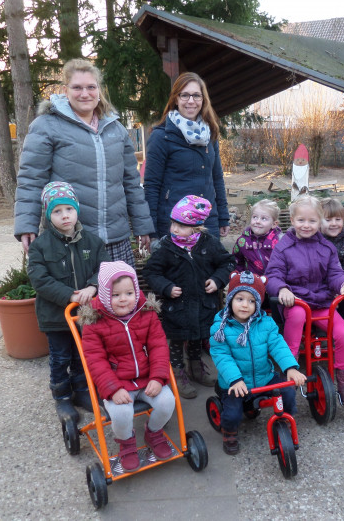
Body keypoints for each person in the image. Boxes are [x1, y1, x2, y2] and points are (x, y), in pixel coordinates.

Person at [14, 58, 153, 266]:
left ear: (99, 90)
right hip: (70, 239)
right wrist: (27, 225)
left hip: (116, 240)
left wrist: (142, 226)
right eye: (77, 87)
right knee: (77, 299)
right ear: (65, 90)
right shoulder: (46, 126)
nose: (85, 93)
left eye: (91, 87)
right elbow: (31, 180)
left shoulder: (116, 129)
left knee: (120, 299)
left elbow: (131, 183)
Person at [265, 195, 344, 411]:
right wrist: (282, 289)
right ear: (292, 220)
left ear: (320, 222)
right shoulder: (283, 247)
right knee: (296, 320)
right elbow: (273, 274)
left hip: (322, 303)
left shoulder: (327, 248)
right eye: (301, 220)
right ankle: (288, 372)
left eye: (312, 221)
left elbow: (335, 273)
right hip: (297, 303)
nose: (306, 226)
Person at [79, 261, 175, 472]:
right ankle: (127, 443)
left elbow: (159, 346)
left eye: (129, 293)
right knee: (122, 414)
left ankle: (154, 432)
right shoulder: (94, 322)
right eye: (115, 295)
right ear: (104, 295)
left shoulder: (146, 312)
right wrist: (113, 389)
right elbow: (95, 360)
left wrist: (158, 378)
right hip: (117, 383)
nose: (124, 299)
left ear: (136, 291)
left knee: (168, 402)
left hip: (148, 378)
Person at [27, 182, 110, 420]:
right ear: (48, 215)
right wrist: (70, 295)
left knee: (83, 353)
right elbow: (40, 280)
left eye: (69, 209)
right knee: (60, 356)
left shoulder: (92, 242)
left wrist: (93, 286)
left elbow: (103, 267)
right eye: (57, 211)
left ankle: (82, 389)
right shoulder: (40, 247)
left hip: (86, 314)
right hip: (56, 316)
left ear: (77, 211)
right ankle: (62, 396)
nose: (64, 216)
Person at [142, 195, 235, 399]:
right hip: (177, 308)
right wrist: (166, 287)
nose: (174, 229)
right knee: (176, 342)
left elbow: (227, 263)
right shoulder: (166, 247)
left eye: (181, 226)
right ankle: (178, 372)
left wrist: (217, 280)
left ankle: (196, 368)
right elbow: (151, 272)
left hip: (203, 305)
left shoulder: (208, 243)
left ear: (197, 227)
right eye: (173, 223)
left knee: (198, 337)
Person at [210, 271, 306, 455]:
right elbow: (222, 356)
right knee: (232, 414)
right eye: (239, 299)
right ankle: (229, 432)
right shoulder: (220, 327)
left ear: (258, 303)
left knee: (287, 390)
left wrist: (291, 368)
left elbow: (278, 345)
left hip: (264, 377)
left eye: (252, 301)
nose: (245, 305)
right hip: (237, 382)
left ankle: (286, 418)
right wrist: (235, 379)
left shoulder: (266, 324)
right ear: (230, 299)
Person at [144, 72, 230, 239]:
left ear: (203, 100)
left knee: (208, 265)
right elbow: (152, 185)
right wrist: (151, 229)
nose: (191, 101)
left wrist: (223, 217)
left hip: (207, 221)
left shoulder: (209, 134)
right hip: (175, 223)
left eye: (196, 95)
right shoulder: (161, 136)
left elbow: (217, 178)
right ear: (176, 99)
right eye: (185, 95)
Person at [320, 197, 344, 321]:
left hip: (339, 283)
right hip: (318, 286)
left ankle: (336, 322)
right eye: (328, 220)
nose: (334, 223)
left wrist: (341, 286)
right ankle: (316, 325)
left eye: (338, 219)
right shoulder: (315, 240)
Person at [232, 199, 283, 276]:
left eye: (264, 218)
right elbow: (237, 260)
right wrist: (239, 276)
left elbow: (286, 263)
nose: (258, 221)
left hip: (274, 280)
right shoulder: (242, 241)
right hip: (251, 281)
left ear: (274, 224)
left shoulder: (279, 241)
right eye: (255, 217)